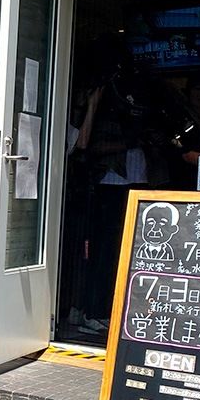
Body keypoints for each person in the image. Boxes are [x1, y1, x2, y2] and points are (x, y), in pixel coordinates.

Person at [74, 36, 155, 333]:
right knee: (105, 250)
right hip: (109, 183)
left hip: (134, 181)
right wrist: (131, 140)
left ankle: (106, 309)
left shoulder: (134, 97)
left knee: (124, 249)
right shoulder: (103, 97)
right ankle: (95, 311)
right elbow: (87, 145)